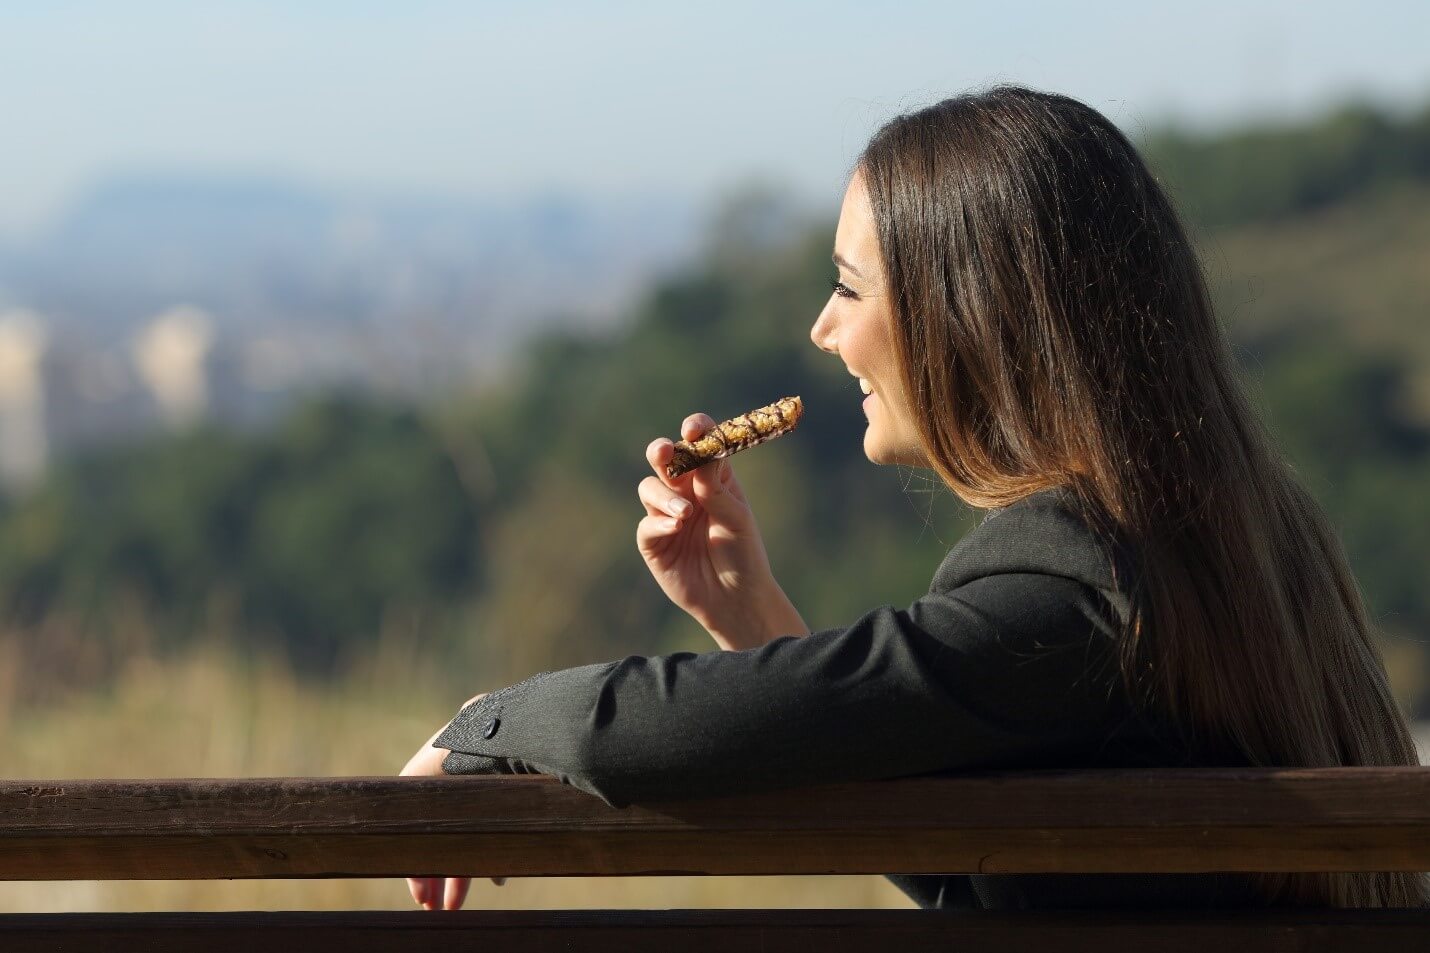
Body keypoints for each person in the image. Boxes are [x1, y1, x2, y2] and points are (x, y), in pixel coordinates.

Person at [400, 85, 1427, 912]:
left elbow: (642, 733)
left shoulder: (1070, 585)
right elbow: (967, 867)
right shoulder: (1246, 536)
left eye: (848, 287)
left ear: (963, 318)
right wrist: (748, 613)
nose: (820, 329)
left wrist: (481, 722)